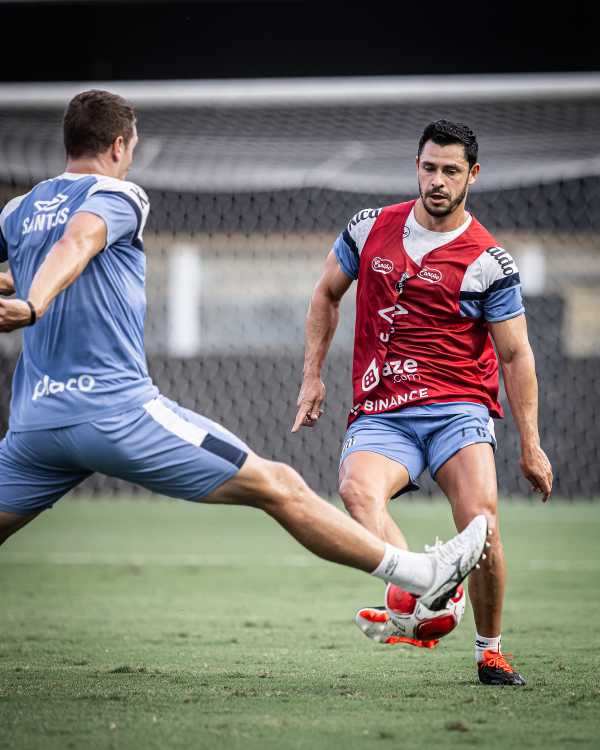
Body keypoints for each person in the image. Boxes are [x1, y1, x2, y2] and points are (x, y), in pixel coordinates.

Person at [0, 92, 488, 627]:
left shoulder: (18, 211)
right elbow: (78, 240)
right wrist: (32, 303)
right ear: (119, 145)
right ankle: (422, 575)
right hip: (115, 414)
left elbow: (41, 261)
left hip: (34, 425)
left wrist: (23, 287)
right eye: (133, 147)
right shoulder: (117, 194)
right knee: (279, 485)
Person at [293, 120, 553, 686]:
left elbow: (516, 355)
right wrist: (312, 376)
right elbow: (325, 294)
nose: (437, 180)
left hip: (458, 407)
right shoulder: (369, 229)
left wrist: (531, 445)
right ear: (417, 166)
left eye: (451, 171)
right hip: (383, 409)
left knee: (482, 523)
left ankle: (489, 652)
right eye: (429, 167)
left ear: (472, 176)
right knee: (356, 492)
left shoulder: (489, 261)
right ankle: (424, 594)